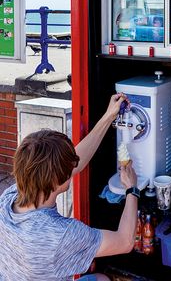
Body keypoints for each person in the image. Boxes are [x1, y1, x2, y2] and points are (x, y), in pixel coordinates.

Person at [0, 93, 138, 281]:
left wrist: (109, 116)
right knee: (102, 279)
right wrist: (132, 190)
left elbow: (75, 163)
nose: (74, 166)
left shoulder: (8, 197)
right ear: (57, 178)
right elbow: (125, 242)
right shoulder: (61, 234)